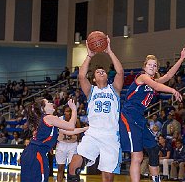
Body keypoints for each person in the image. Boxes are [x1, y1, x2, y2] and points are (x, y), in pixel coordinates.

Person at [120, 47, 185, 182]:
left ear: (156, 69)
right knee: (137, 156)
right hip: (129, 116)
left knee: (154, 149)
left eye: (154, 65)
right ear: (145, 66)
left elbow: (168, 76)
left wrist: (181, 59)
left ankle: (156, 179)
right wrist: (173, 90)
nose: (152, 66)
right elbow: (156, 87)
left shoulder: (153, 80)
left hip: (140, 118)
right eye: (150, 64)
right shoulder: (142, 77)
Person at [67, 36, 124, 182]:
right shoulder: (91, 91)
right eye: (97, 72)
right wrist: (89, 56)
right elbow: (81, 76)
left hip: (110, 135)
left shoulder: (114, 89)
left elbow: (120, 72)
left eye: (103, 71)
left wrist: (110, 52)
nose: (101, 72)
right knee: (73, 167)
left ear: (107, 76)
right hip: (92, 133)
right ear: (93, 79)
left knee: (107, 176)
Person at [20, 98, 87, 182]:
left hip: (30, 153)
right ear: (43, 109)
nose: (51, 103)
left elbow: (69, 131)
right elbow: (71, 126)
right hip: (36, 155)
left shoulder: (46, 121)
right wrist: (74, 109)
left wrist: (87, 129)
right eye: (48, 102)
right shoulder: (49, 118)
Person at [56, 106, 80, 182]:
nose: (68, 113)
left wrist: (78, 142)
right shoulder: (59, 119)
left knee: (72, 168)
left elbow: (79, 132)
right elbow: (54, 133)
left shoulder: (76, 120)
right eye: (67, 111)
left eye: (70, 111)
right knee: (60, 168)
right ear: (64, 112)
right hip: (61, 144)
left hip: (72, 145)